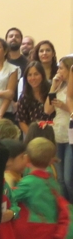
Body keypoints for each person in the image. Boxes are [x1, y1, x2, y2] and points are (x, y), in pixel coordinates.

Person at [14, 61, 54, 135]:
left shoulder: (51, 91)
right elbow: (21, 121)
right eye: (29, 75)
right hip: (33, 135)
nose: (33, 78)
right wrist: (32, 136)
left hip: (53, 133)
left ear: (42, 75)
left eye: (36, 74)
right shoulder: (24, 97)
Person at [52, 56, 73, 198]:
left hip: (70, 134)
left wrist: (66, 107)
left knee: (68, 179)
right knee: (59, 178)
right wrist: (53, 86)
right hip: (57, 132)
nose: (58, 71)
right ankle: (64, 207)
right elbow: (47, 109)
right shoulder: (60, 86)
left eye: (61, 68)